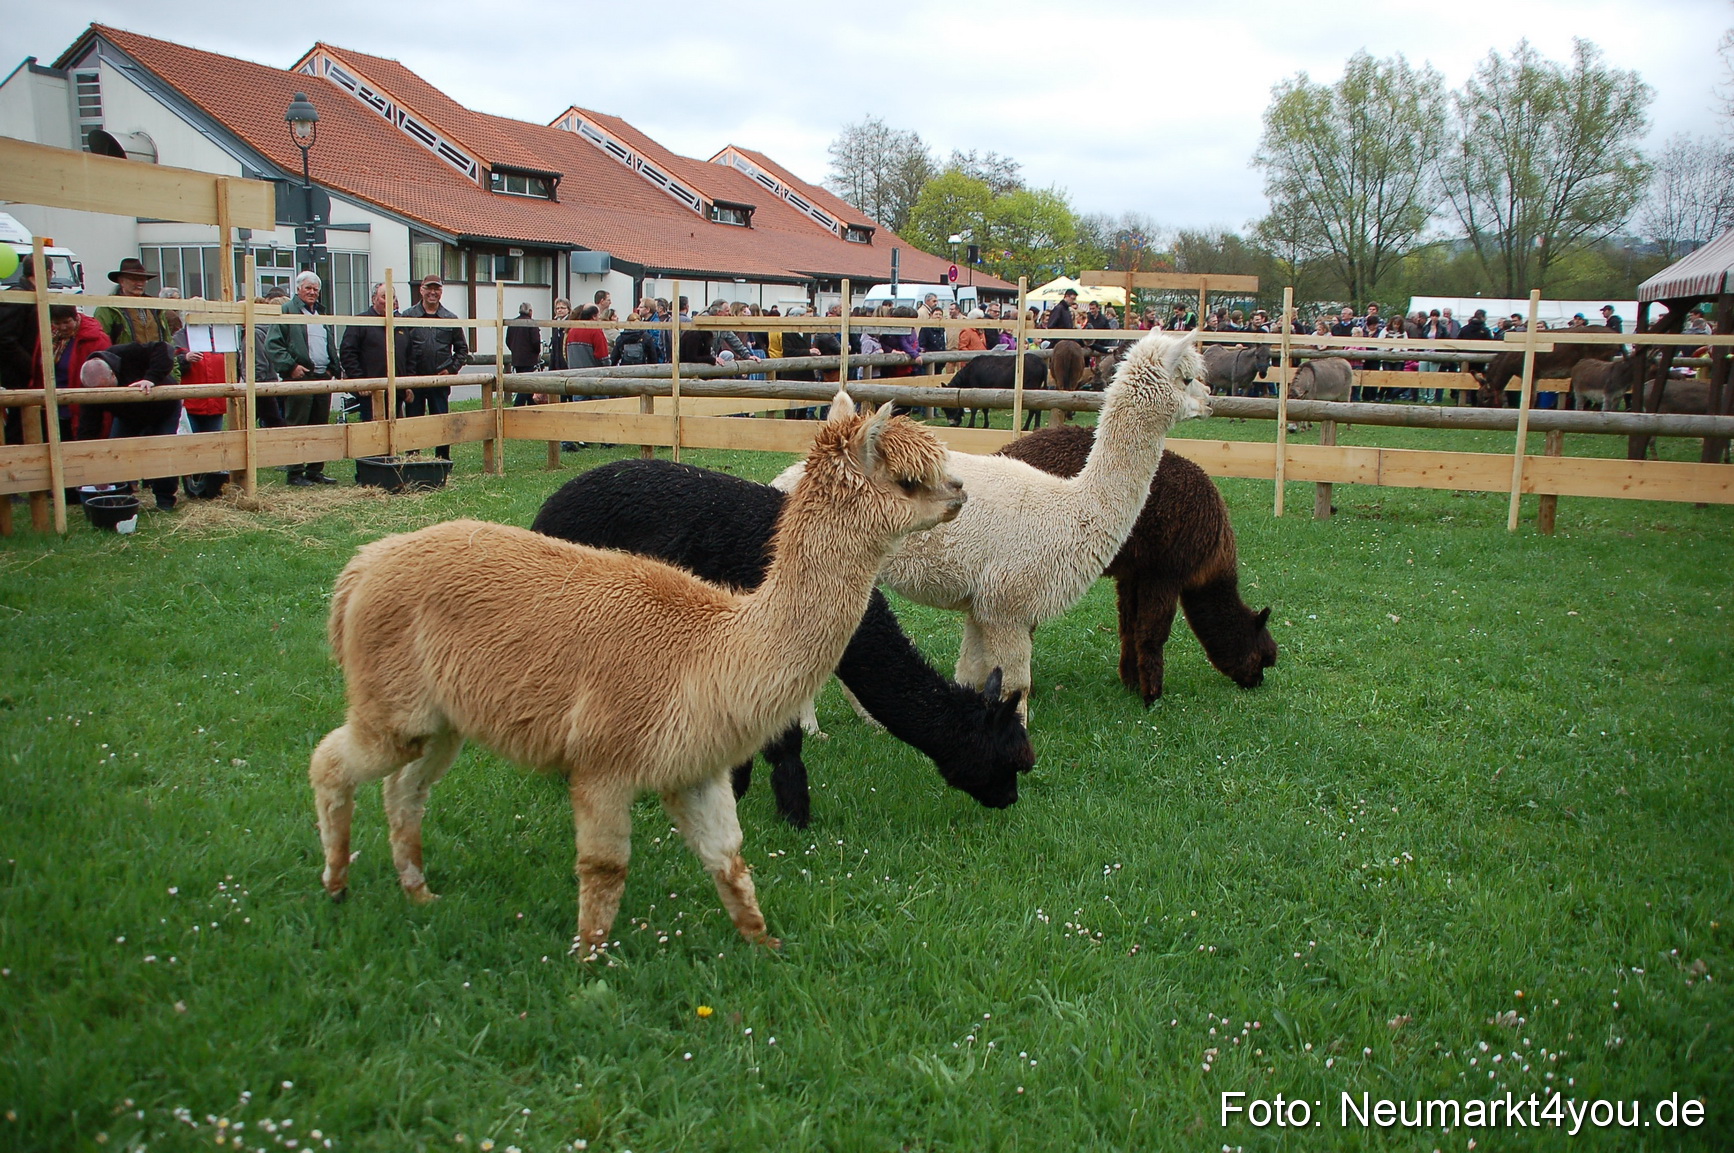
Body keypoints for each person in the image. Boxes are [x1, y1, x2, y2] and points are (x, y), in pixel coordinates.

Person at [82, 340, 180, 509]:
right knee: (116, 450)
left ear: (113, 375)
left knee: (162, 451)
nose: (104, 395)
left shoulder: (127, 353)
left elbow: (163, 348)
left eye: (107, 389)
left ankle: (165, 499)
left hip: (164, 409)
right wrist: (93, 470)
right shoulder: (90, 390)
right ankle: (121, 498)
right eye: (99, 393)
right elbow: (88, 429)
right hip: (127, 416)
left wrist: (151, 379)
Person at [265, 270, 340, 485]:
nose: (312, 292)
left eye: (316, 289)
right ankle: (295, 472)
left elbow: (327, 343)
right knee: (298, 426)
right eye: (308, 288)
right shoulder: (287, 311)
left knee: (320, 426)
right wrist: (290, 367)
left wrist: (332, 369)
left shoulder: (321, 314)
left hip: (321, 378)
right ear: (298, 289)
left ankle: (315, 470)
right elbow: (273, 344)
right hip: (300, 378)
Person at [399, 274, 468, 460]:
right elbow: (399, 349)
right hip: (415, 381)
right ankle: (412, 460)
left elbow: (462, 350)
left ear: (441, 291)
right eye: (429, 288)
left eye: (436, 289)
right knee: (414, 424)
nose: (432, 292)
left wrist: (452, 369)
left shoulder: (450, 318)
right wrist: (405, 378)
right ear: (421, 290)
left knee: (442, 423)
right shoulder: (407, 316)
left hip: (440, 381)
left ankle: (442, 461)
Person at [338, 281, 406, 420]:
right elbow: (347, 354)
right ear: (374, 299)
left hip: (396, 391)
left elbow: (409, 355)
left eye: (392, 297)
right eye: (384, 296)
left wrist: (407, 384)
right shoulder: (360, 322)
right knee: (373, 435)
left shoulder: (400, 324)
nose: (388, 301)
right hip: (370, 393)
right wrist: (360, 381)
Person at [49, 304, 110, 442]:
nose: (62, 327)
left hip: (82, 408)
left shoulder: (97, 340)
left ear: (76, 318)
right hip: (54, 408)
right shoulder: (49, 339)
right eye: (57, 323)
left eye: (66, 322)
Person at [94, 257, 181, 348]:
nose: (139, 283)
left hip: (155, 361)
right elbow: (101, 344)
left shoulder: (155, 308)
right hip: (123, 361)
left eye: (142, 279)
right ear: (121, 281)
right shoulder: (108, 308)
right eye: (134, 279)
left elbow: (168, 341)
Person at [506, 302, 542, 406]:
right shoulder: (531, 323)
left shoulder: (513, 323)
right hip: (529, 359)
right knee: (527, 385)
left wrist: (514, 350)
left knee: (523, 383)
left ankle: (531, 404)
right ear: (530, 311)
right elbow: (536, 342)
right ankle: (518, 405)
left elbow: (508, 340)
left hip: (517, 359)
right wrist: (537, 352)